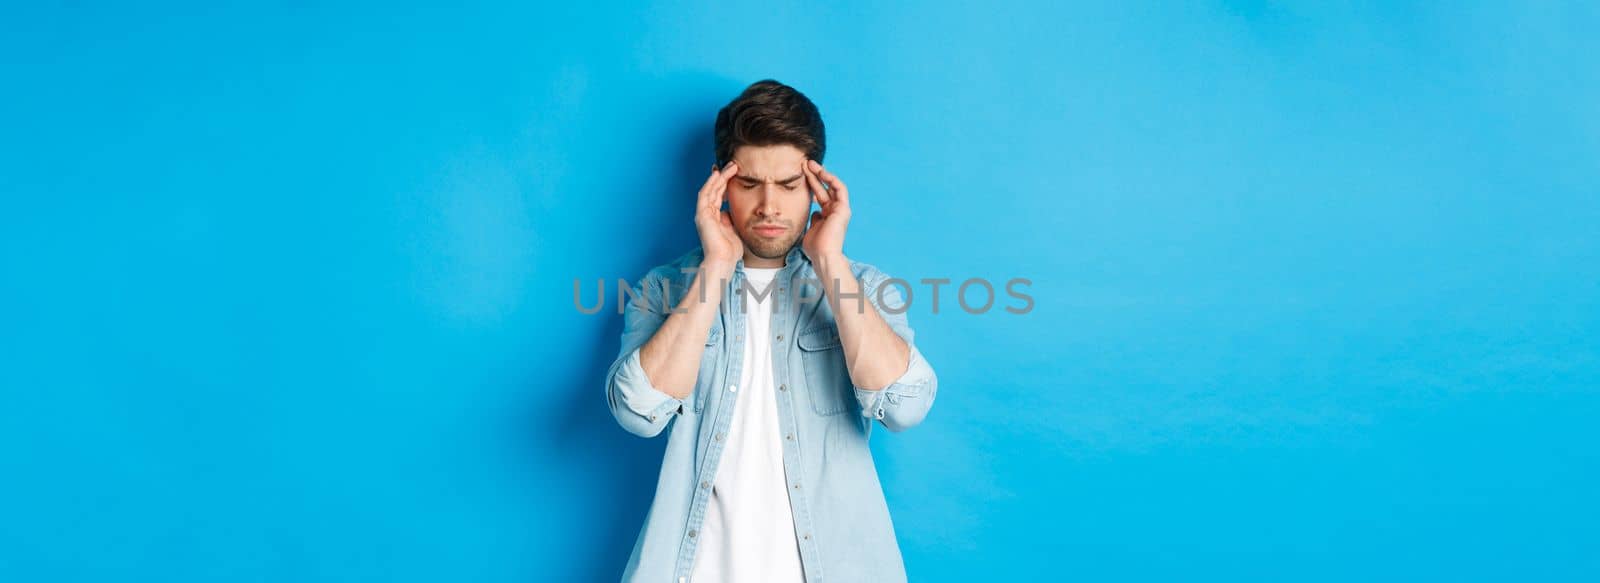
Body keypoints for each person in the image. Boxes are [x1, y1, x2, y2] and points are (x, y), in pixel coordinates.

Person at [604, 79, 939, 582]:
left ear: (817, 187)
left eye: (788, 185)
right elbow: (638, 413)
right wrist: (715, 267)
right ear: (718, 184)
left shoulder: (863, 287)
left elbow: (905, 406)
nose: (768, 206)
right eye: (749, 184)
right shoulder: (665, 289)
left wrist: (828, 261)